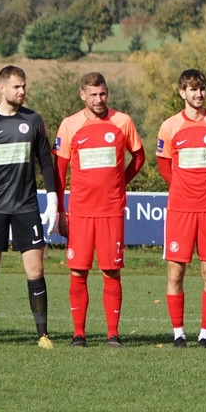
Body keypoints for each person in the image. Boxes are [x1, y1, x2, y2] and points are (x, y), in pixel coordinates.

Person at [0, 66, 59, 349]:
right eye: (16, 87)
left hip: (26, 207)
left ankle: (43, 335)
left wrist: (52, 200)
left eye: (24, 86)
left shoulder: (33, 120)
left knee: (36, 269)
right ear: (2, 88)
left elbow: (46, 163)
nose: (22, 91)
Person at [54, 72, 146, 347]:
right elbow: (59, 172)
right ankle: (78, 334)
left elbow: (139, 156)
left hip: (111, 210)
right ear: (82, 95)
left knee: (111, 270)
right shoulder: (69, 125)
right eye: (93, 94)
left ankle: (112, 334)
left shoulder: (122, 121)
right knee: (78, 271)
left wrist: (121, 182)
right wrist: (60, 212)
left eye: (103, 93)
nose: (99, 99)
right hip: (80, 212)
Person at [157, 69, 206, 348]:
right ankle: (178, 333)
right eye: (193, 89)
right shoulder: (169, 126)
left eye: (202, 88)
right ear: (182, 92)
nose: (199, 94)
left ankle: (205, 334)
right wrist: (185, 188)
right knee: (175, 273)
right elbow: (165, 168)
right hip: (180, 210)